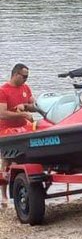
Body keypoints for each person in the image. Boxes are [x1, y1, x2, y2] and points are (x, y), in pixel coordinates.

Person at [0, 64, 37, 207]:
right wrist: (22, 113)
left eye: (28, 77)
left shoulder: (25, 88)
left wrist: (25, 106)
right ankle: (4, 196)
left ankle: (23, 189)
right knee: (6, 160)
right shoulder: (3, 91)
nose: (26, 80)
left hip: (22, 129)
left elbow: (34, 105)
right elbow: (2, 113)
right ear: (15, 75)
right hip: (6, 130)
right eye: (24, 77)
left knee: (23, 159)